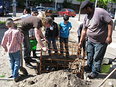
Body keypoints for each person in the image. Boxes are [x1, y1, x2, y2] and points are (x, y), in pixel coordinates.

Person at [78, 0, 113, 78]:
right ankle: (89, 67)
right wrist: (81, 41)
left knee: (97, 58)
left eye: (84, 10)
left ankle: (95, 72)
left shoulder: (100, 12)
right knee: (89, 55)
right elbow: (84, 30)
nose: (84, 13)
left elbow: (110, 23)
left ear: (88, 8)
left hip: (101, 41)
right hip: (90, 40)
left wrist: (109, 36)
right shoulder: (87, 17)